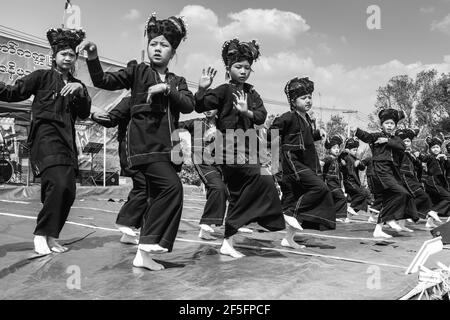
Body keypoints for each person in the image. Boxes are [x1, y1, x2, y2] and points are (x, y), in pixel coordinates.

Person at [79, 13, 194, 271]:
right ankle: (145, 245)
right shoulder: (138, 71)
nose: (157, 49)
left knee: (157, 194)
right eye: (154, 44)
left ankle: (144, 251)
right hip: (143, 145)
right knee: (171, 188)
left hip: (168, 149)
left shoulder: (178, 82)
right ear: (147, 47)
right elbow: (103, 81)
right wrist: (94, 56)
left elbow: (188, 105)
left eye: (164, 45)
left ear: (173, 52)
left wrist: (167, 90)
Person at [0, 28, 91, 254]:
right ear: (55, 56)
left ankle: (51, 236)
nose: (68, 58)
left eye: (72, 55)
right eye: (63, 54)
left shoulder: (78, 84)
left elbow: (84, 112)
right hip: (45, 138)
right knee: (58, 183)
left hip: (67, 143)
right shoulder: (41, 77)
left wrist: (80, 91)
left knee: (67, 190)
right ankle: (41, 235)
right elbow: (14, 92)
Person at [195, 39, 285, 258]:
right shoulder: (224, 90)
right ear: (228, 68)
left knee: (240, 193)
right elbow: (199, 106)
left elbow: (262, 116)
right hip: (227, 150)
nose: (243, 71)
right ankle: (243, 222)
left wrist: (247, 113)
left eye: (247, 67)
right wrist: (201, 89)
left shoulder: (252, 93)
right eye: (238, 67)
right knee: (261, 179)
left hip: (248, 149)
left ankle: (228, 241)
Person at [269, 77, 336, 249]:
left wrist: (316, 133)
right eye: (303, 98)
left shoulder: (306, 118)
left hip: (305, 163)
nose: (308, 100)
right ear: (293, 101)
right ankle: (289, 213)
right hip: (292, 162)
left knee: (293, 200)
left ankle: (288, 239)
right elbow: (272, 136)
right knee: (320, 188)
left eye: (309, 97)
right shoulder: (288, 117)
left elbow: (304, 139)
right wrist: (274, 165)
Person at [91, 61, 147, 245]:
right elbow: (112, 119)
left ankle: (129, 232)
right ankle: (125, 221)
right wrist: (93, 114)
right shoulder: (129, 101)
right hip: (130, 150)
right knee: (143, 186)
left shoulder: (149, 101)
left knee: (149, 188)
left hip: (145, 151)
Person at [354, 109, 419, 238]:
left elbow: (402, 147)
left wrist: (387, 141)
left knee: (396, 196)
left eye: (392, 123)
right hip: (379, 170)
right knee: (400, 192)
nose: (389, 125)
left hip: (391, 171)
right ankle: (390, 219)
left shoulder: (397, 139)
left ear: (395, 126)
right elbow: (367, 136)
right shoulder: (377, 136)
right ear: (382, 124)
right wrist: (356, 131)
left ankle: (378, 229)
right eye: (387, 123)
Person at [178, 105, 229, 240]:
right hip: (201, 160)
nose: (208, 109)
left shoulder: (223, 124)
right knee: (217, 187)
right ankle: (206, 221)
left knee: (222, 191)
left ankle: (205, 230)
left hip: (218, 162)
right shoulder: (196, 123)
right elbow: (175, 125)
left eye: (212, 106)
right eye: (205, 106)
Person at [395, 128, 442, 228]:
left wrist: (416, 158)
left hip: (412, 177)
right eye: (405, 141)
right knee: (422, 196)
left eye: (408, 141)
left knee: (410, 199)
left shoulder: (410, 152)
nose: (407, 143)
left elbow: (418, 165)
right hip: (404, 176)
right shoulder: (399, 151)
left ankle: (402, 222)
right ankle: (427, 212)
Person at [419, 135, 450, 222]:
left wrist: (445, 159)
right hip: (432, 182)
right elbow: (424, 158)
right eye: (433, 147)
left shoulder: (442, 157)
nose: (435, 149)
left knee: (436, 201)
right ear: (430, 149)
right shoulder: (430, 157)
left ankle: (429, 222)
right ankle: (434, 211)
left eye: (437, 147)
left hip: (437, 182)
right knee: (448, 198)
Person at [340, 137, 369, 218]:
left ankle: (348, 215)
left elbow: (362, 168)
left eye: (356, 150)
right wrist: (344, 152)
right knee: (362, 194)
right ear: (348, 150)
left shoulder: (355, 158)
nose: (356, 152)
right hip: (349, 181)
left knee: (363, 200)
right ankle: (350, 208)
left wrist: (359, 162)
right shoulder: (346, 157)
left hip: (355, 182)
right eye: (354, 150)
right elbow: (341, 158)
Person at [322, 135, 347, 221]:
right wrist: (320, 163)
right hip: (330, 182)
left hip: (336, 183)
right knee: (341, 198)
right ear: (329, 149)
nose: (337, 149)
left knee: (331, 201)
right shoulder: (329, 158)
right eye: (334, 148)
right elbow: (322, 162)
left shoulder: (336, 160)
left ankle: (330, 215)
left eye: (338, 148)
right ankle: (338, 216)